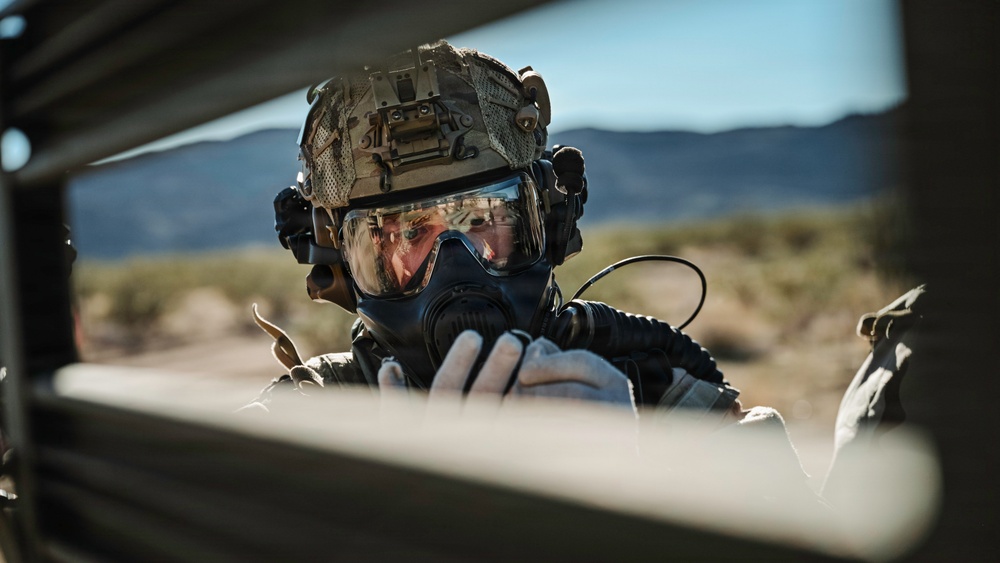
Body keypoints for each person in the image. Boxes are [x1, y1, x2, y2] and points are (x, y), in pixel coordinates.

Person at [247, 40, 761, 429]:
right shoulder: (300, 424)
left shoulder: (650, 388)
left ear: (550, 225)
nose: (454, 263)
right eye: (408, 233)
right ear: (341, 265)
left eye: (479, 219)